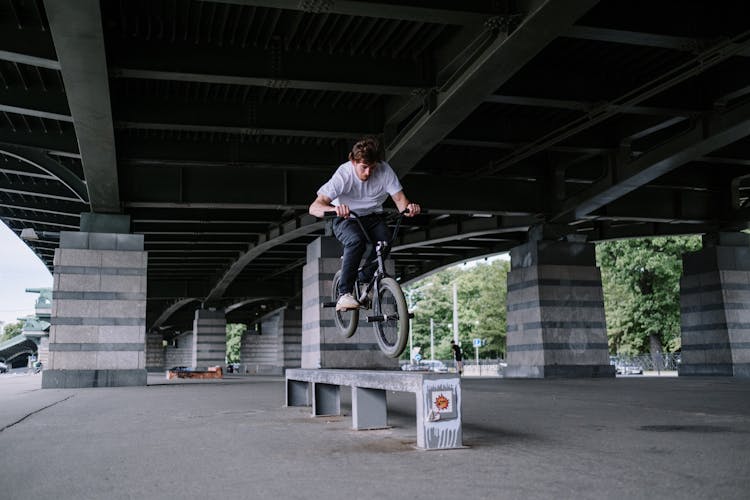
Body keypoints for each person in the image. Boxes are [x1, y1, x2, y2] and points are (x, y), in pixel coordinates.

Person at [309, 136, 420, 311]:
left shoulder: (384, 171)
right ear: (353, 161)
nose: (368, 172)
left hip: (373, 217)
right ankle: (344, 294)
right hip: (346, 218)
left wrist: (410, 208)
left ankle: (364, 277)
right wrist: (334, 209)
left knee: (386, 242)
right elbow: (314, 207)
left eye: (372, 167)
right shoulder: (343, 174)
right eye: (364, 167)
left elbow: (400, 201)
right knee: (356, 241)